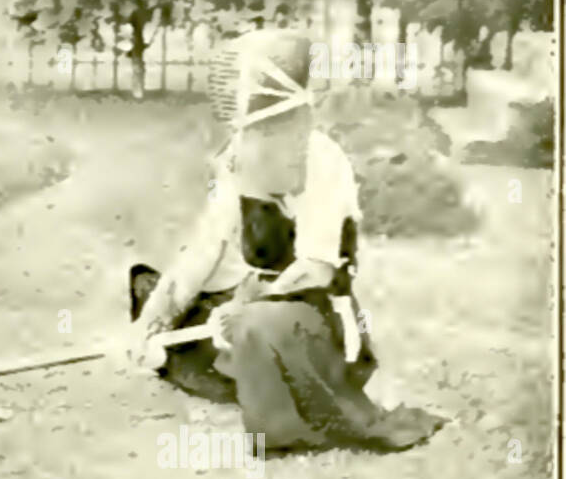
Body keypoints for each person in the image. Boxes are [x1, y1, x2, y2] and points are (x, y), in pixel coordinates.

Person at [124, 29, 444, 452]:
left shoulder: (322, 160)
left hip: (313, 312)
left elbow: (316, 270)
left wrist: (246, 305)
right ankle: (196, 355)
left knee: (252, 326)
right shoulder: (238, 156)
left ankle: (233, 374)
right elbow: (202, 253)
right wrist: (151, 321)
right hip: (254, 299)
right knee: (156, 291)